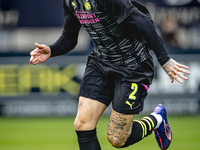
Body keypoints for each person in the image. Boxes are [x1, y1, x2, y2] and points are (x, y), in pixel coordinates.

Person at [29, 0, 190, 149]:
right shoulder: (70, 2)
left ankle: (157, 119)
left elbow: (142, 21)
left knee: (117, 139)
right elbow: (69, 37)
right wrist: (51, 50)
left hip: (133, 66)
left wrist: (165, 60)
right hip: (101, 62)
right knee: (82, 124)